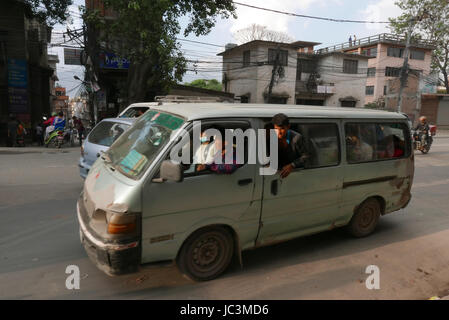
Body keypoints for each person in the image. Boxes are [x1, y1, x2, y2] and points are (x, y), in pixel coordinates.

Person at [272, 113, 309, 179]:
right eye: (276, 129)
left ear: (288, 127)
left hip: (294, 176)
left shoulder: (297, 138)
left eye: (282, 129)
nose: (279, 132)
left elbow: (306, 156)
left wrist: (292, 165)